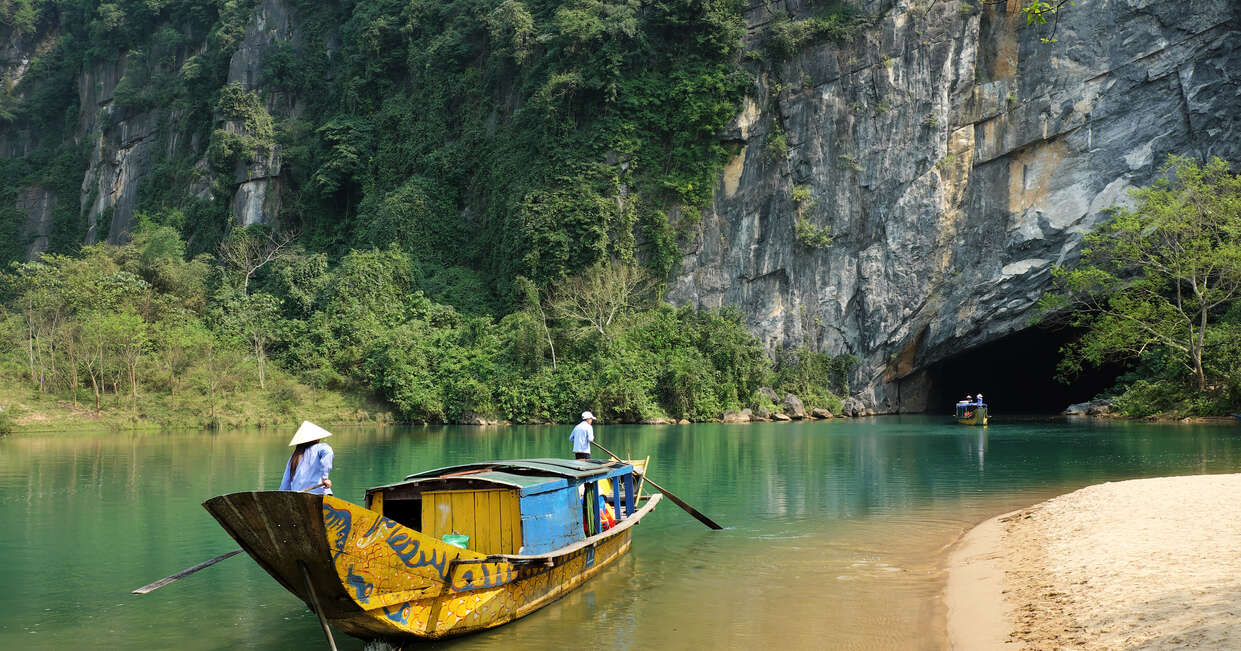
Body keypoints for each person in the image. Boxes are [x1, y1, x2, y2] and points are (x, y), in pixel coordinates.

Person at [280, 421, 334, 494]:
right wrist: (324, 478)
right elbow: (328, 452)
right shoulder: (320, 447)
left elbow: (285, 484)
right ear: (316, 438)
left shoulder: (294, 458)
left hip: (299, 497)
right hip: (319, 494)